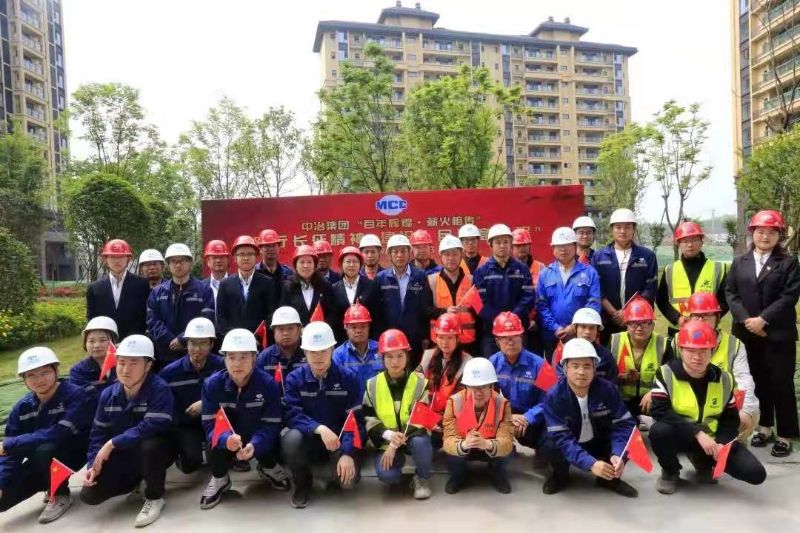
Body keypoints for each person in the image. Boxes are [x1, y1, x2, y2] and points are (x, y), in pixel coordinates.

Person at [650, 321, 767, 494]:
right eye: (691, 351)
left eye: (703, 351)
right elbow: (659, 411)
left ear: (712, 350)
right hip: (681, 434)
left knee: (756, 473)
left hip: (713, 441)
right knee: (659, 431)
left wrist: (722, 445)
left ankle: (703, 460)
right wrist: (697, 433)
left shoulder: (724, 379)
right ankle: (670, 471)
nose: (697, 357)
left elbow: (730, 420)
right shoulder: (665, 373)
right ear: (681, 350)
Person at [726, 210, 800, 457]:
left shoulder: (788, 263)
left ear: (779, 235)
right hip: (747, 333)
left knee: (781, 383)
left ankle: (786, 435)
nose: (765, 236)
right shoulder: (740, 261)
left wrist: (763, 320)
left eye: (771, 232)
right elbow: (731, 293)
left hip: (777, 334)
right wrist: (747, 320)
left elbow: (789, 296)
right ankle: (765, 426)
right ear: (752, 233)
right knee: (757, 382)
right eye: (760, 231)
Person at [79, 335, 174, 528]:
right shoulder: (108, 395)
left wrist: (113, 443)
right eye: (121, 362)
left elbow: (152, 425)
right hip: (125, 453)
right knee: (89, 495)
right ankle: (135, 482)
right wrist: (93, 465)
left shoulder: (159, 389)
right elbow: (97, 434)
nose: (125, 369)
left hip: (157, 451)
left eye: (133, 363)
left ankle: (154, 497)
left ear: (148, 365)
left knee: (151, 444)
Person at [0, 348, 92, 523]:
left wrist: (11, 444)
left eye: (44, 373)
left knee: (45, 449)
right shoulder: (23, 407)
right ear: (24, 379)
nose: (39, 380)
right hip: (42, 459)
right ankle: (48, 482)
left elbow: (59, 434)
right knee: (2, 501)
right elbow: (8, 451)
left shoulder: (75, 395)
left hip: (73, 454)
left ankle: (59, 494)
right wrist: (1, 482)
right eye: (31, 375)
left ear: (56, 371)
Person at [199, 328, 287, 509]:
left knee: (273, 441)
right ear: (224, 359)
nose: (237, 364)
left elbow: (271, 424)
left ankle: (269, 467)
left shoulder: (268, 384)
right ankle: (220, 478)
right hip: (230, 438)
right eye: (231, 357)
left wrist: (255, 443)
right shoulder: (212, 385)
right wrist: (226, 440)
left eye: (243, 357)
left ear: (254, 358)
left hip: (257, 435)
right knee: (213, 443)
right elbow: (209, 424)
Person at [282, 322, 364, 509]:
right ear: (304, 352)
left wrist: (347, 453)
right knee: (290, 439)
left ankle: (336, 470)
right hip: (310, 440)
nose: (318, 357)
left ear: (332, 350)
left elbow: (355, 422)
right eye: (312, 352)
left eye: (323, 351)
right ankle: (302, 484)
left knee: (348, 483)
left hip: (338, 442)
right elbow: (292, 414)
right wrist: (318, 428)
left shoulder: (348, 378)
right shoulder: (294, 379)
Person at [541, 338, 638, 497]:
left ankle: (609, 478)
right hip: (572, 439)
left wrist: (618, 453)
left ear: (594, 368)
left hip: (599, 439)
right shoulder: (554, 395)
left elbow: (624, 424)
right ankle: (560, 475)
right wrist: (590, 463)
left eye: (587, 366)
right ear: (565, 368)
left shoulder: (608, 389)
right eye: (575, 366)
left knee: (625, 440)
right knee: (550, 443)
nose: (581, 372)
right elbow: (561, 437)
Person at [671, 292, 759, 437]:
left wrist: (745, 411)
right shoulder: (677, 340)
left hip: (723, 405)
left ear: (717, 317)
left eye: (706, 315)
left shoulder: (734, 345)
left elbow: (745, 381)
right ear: (688, 318)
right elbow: (668, 374)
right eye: (696, 315)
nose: (701, 320)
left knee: (750, 411)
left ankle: (730, 441)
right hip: (688, 406)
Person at [362, 329, 433, 500]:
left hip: (412, 439)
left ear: (407, 356)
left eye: (400, 356)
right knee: (387, 476)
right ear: (382, 358)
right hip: (385, 442)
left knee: (421, 442)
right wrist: (389, 436)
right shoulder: (372, 385)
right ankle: (401, 472)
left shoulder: (420, 383)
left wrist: (394, 445)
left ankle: (422, 478)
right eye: (389, 356)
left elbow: (421, 419)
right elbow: (369, 419)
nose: (395, 361)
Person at [159, 318, 225, 476]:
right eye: (192, 343)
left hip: (217, 421)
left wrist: (206, 404)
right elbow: (164, 404)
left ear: (211, 344)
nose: (197, 349)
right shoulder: (170, 373)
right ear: (186, 344)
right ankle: (185, 452)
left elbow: (233, 394)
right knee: (191, 463)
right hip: (186, 425)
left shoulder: (223, 366)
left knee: (223, 455)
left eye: (203, 343)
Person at [442, 358, 514, 495]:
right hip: (464, 445)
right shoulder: (454, 402)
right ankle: (458, 477)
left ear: (491, 386)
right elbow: (448, 439)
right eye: (473, 387)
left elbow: (506, 441)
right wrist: (464, 445)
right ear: (466, 387)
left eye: (484, 386)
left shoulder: (502, 404)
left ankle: (497, 474)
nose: (479, 392)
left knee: (506, 452)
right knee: (452, 452)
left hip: (489, 446)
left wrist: (487, 444)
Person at [592, 209, 658, 345]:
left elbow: (650, 288)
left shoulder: (647, 256)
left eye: (627, 227)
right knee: (610, 352)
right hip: (608, 319)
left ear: (634, 229)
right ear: (612, 230)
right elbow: (596, 289)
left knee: (637, 353)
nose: (623, 231)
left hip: (638, 320)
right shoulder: (599, 257)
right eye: (618, 227)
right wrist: (613, 313)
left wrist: (628, 312)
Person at [488, 312, 548, 460]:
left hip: (534, 416)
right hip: (508, 413)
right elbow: (486, 398)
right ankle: (505, 449)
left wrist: (528, 418)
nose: (511, 342)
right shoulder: (492, 363)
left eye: (515, 336)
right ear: (497, 341)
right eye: (505, 338)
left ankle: (544, 452)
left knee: (551, 440)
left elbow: (549, 401)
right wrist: (507, 416)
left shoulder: (540, 365)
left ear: (522, 337)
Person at [147, 243, 215, 369]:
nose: (178, 265)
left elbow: (206, 318)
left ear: (190, 263)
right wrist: (169, 339)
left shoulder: (204, 290)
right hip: (165, 354)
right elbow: (152, 320)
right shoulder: (158, 292)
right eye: (173, 261)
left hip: (195, 353)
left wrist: (182, 339)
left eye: (182, 261)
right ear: (168, 265)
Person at [535, 227, 601, 358]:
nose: (563, 249)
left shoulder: (589, 273)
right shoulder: (545, 274)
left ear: (575, 246)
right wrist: (555, 328)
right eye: (559, 246)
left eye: (567, 245)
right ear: (553, 249)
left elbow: (594, 303)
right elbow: (541, 306)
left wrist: (575, 326)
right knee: (554, 368)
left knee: (579, 367)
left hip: (581, 335)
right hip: (553, 336)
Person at [473, 224, 536, 357]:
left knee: (519, 366)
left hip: (518, 332)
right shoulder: (481, 272)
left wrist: (512, 319)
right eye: (498, 242)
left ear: (511, 244)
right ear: (490, 245)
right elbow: (479, 303)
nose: (502, 246)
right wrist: (500, 321)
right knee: (492, 368)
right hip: (491, 334)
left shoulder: (522, 269)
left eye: (506, 242)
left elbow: (528, 297)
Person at [657, 222, 727, 338]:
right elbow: (661, 300)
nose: (690, 245)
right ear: (678, 244)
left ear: (702, 242)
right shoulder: (670, 270)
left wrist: (710, 319)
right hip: (678, 330)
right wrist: (677, 318)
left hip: (708, 329)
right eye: (685, 241)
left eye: (694, 240)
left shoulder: (717, 268)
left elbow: (725, 300)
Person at [374, 234, 434, 368]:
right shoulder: (381, 278)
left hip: (414, 338)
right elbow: (377, 312)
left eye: (403, 251)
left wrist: (425, 336)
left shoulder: (420, 276)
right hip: (389, 338)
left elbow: (425, 308)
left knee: (413, 373)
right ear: (389, 255)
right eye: (395, 251)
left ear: (409, 253)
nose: (399, 255)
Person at [610, 297, 672, 419]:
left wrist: (654, 392)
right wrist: (622, 378)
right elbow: (605, 377)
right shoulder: (614, 341)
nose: (639, 328)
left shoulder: (664, 344)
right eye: (634, 323)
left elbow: (671, 378)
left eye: (644, 323)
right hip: (621, 401)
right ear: (627, 325)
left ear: (652, 325)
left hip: (652, 402)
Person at [86, 239, 150, 340]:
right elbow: (92, 318)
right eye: (112, 257)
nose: (117, 261)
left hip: (134, 340)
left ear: (128, 259)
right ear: (105, 259)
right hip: (106, 341)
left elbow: (146, 315)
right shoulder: (94, 288)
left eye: (121, 257)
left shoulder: (142, 284)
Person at [216, 235, 278, 338]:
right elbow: (221, 316)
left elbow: (271, 314)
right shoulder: (225, 284)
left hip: (258, 341)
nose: (246, 258)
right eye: (241, 254)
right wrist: (232, 337)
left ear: (256, 257)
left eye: (250, 254)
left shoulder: (267, 283)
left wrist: (257, 337)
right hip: (233, 341)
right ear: (235, 258)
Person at [426, 234, 478, 355]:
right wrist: (444, 311)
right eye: (447, 254)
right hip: (441, 342)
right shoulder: (431, 280)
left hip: (467, 342)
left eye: (455, 254)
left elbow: (478, 312)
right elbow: (425, 310)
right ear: (441, 256)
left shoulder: (471, 280)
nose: (451, 258)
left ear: (461, 255)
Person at [418, 313, 473, 416]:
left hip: (452, 415)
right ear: (436, 337)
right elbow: (415, 385)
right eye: (441, 337)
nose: (445, 342)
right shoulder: (427, 356)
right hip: (426, 412)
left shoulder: (468, 362)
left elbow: (462, 398)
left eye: (450, 338)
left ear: (457, 338)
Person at [280, 245, 338, 329]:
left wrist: (322, 328)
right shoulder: (288, 287)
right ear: (295, 265)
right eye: (302, 262)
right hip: (297, 334)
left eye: (309, 262)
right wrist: (298, 329)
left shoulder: (325, 286)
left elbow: (332, 314)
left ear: (315, 265)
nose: (306, 266)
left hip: (320, 333)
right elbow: (284, 313)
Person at [556, 309, 618, 384]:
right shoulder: (564, 352)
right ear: (575, 328)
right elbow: (561, 383)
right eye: (583, 327)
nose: (587, 332)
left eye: (592, 328)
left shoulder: (606, 356)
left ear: (597, 330)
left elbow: (612, 384)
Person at [330, 246, 379, 342]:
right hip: (341, 340)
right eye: (348, 262)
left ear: (360, 264)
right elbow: (333, 318)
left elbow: (377, 316)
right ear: (341, 264)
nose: (351, 265)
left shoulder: (371, 286)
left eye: (355, 262)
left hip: (366, 340)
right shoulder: (334, 289)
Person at [332, 303, 381, 397]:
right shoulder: (338, 356)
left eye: (363, 326)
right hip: (351, 404)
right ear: (346, 327)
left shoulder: (381, 349)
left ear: (369, 327)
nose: (359, 330)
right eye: (354, 327)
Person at [512, 228, 547, 355]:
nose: (521, 248)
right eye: (517, 245)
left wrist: (536, 320)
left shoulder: (541, 267)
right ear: (512, 247)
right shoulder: (508, 268)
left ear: (529, 246)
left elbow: (544, 297)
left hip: (536, 325)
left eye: (524, 245)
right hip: (515, 324)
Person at [69, 316, 119, 398]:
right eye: (91, 341)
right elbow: (80, 397)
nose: (96, 345)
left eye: (102, 340)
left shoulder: (124, 365)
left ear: (113, 342)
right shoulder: (78, 371)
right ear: (85, 344)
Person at [256, 306, 306, 385]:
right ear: (274, 332)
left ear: (299, 329)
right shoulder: (264, 358)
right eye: (281, 329)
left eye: (290, 328)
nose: (285, 333)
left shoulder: (310, 353)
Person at [255, 228, 294, 299]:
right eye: (267, 246)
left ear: (279, 248)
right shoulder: (254, 273)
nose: (271, 249)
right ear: (260, 249)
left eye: (274, 246)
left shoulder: (289, 273)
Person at [203, 240, 230, 305]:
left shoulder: (238, 284)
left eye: (222, 257)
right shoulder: (201, 287)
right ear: (208, 261)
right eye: (214, 257)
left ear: (228, 260)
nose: (218, 260)